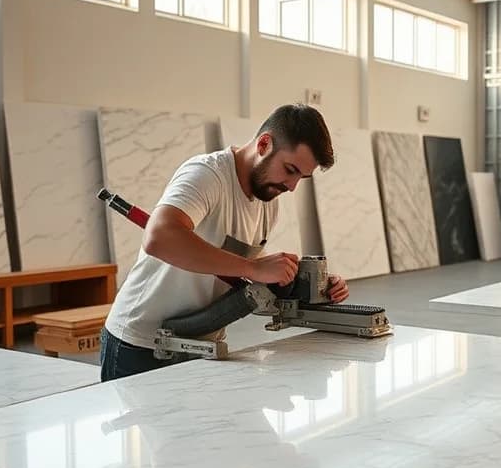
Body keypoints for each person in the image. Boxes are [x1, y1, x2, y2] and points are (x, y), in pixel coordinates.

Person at [100, 103, 348, 381]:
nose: (291, 187)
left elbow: (244, 268)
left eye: (301, 177)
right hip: (140, 344)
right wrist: (252, 268)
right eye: (289, 170)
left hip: (199, 343)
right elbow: (159, 237)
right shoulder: (208, 175)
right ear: (264, 144)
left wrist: (319, 283)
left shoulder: (267, 201)